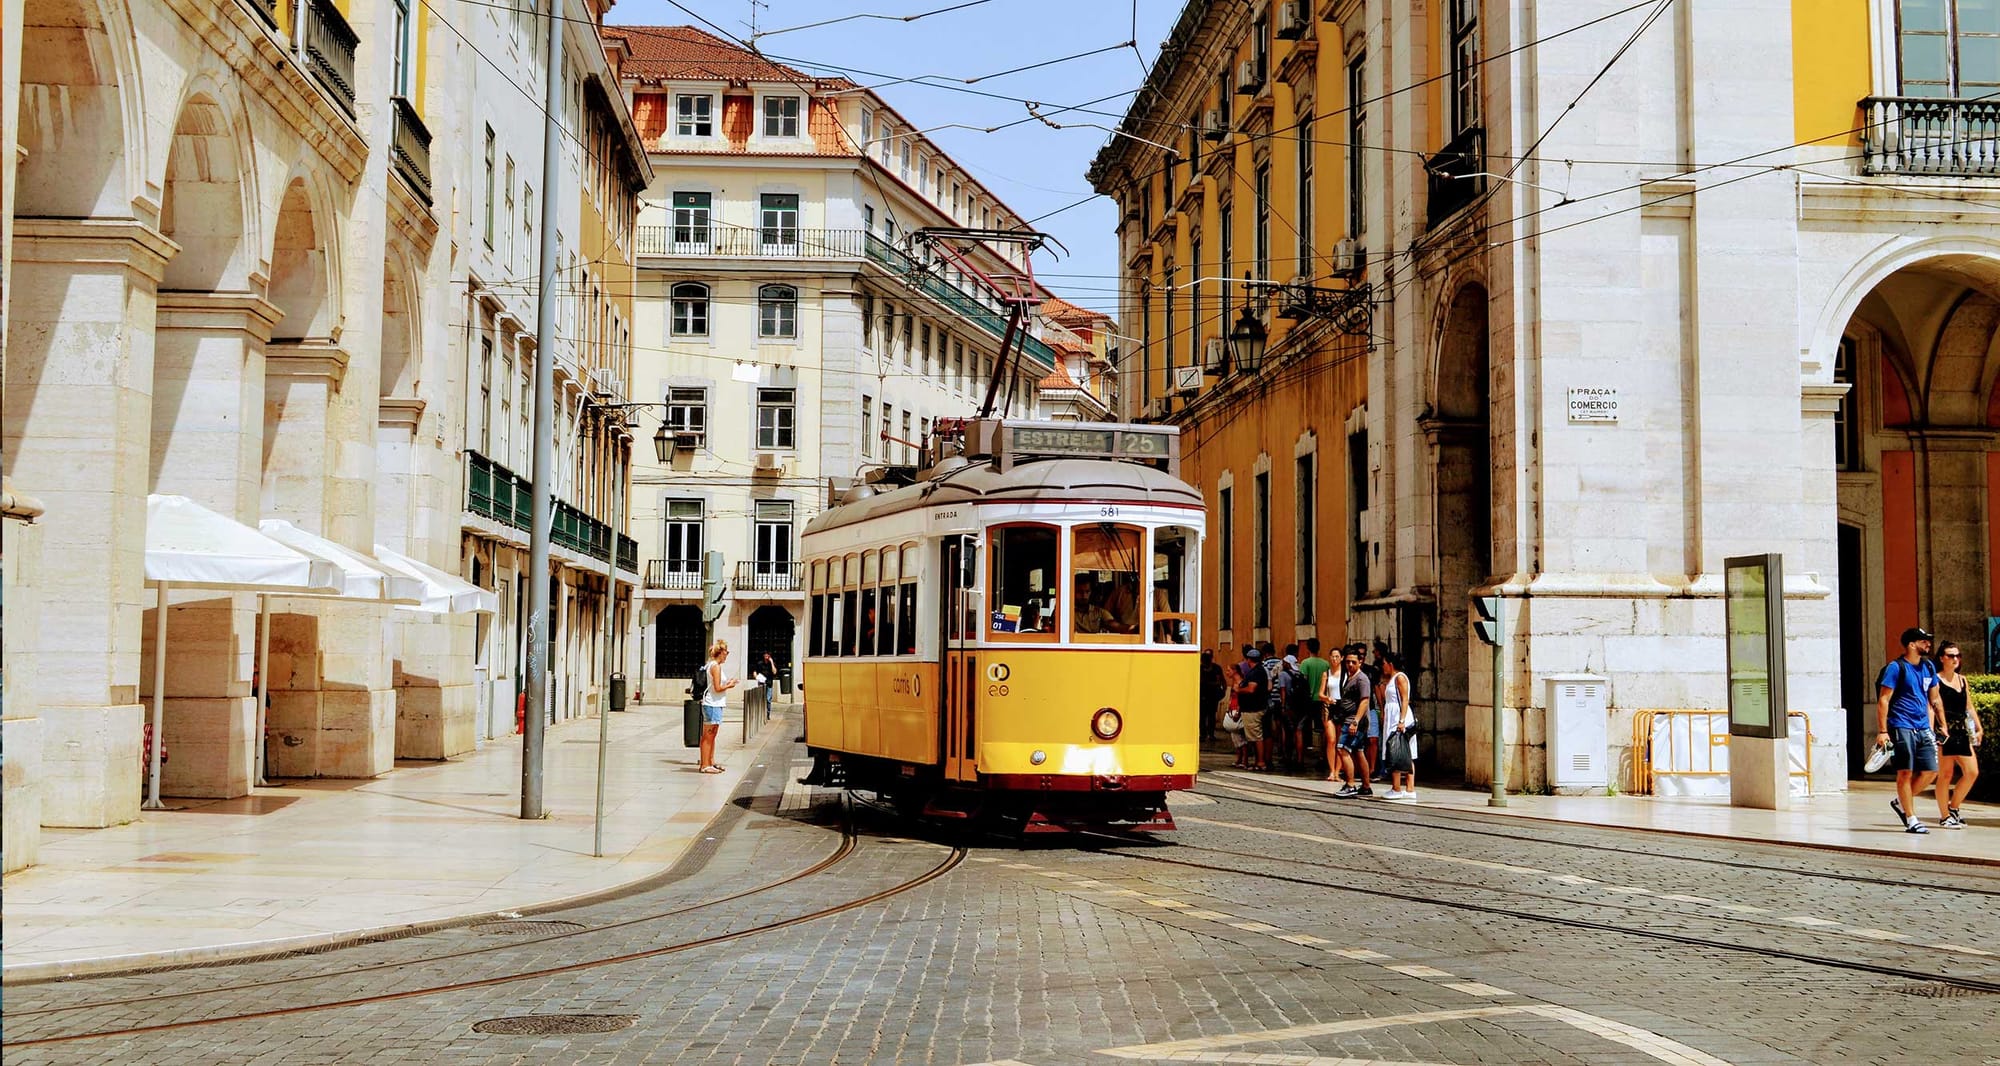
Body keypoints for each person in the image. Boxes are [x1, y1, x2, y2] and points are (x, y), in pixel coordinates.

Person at [1878, 626, 1947, 833]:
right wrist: (1883, 731)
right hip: (1901, 725)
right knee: (1905, 772)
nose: (1928, 644)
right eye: (1923, 641)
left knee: (1931, 771)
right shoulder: (1896, 667)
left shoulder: (1928, 667)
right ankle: (1911, 818)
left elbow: (1935, 698)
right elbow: (1884, 700)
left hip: (1923, 726)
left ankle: (1900, 803)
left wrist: (1942, 723)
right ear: (1911, 644)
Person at [1934, 641, 1981, 829]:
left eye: (1958, 656)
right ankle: (1944, 816)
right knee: (1945, 774)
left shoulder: (1962, 680)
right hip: (1944, 730)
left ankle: (1953, 807)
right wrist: (1939, 728)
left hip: (1961, 729)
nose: (1955, 659)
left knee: (1972, 772)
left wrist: (1978, 727)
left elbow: (1968, 705)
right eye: (1951, 655)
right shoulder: (1935, 680)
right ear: (1942, 658)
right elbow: (1935, 706)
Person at [1327, 650, 1373, 796]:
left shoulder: (1362, 679)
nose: (1350, 664)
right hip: (1350, 718)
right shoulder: (1350, 677)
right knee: (1359, 752)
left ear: (1360, 662)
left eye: (1354, 662)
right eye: (1348, 662)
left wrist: (1355, 721)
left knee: (1342, 749)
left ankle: (1350, 784)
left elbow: (1364, 701)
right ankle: (1366, 786)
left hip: (1353, 721)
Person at [1378, 648, 1416, 800]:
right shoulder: (1392, 679)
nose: (1383, 666)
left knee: (1397, 752)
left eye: (1384, 663)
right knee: (1403, 753)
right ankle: (1407, 788)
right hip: (1394, 717)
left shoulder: (1400, 678)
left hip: (1400, 718)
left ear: (1391, 664)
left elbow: (1405, 699)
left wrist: (1401, 720)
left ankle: (1397, 788)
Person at [698, 639, 738, 774]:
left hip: (716, 703)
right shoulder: (715, 666)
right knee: (708, 735)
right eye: (726, 652)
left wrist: (729, 682)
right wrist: (730, 685)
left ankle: (710, 762)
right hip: (712, 703)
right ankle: (705, 765)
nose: (727, 654)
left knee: (712, 734)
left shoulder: (713, 665)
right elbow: (717, 687)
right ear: (721, 652)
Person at [1300, 639, 1333, 773]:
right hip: (1322, 700)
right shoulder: (1325, 664)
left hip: (1309, 700)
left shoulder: (1305, 663)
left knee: (1302, 728)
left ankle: (1301, 758)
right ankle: (1322, 756)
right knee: (1322, 729)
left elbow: (1304, 681)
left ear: (1308, 648)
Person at [1235, 646, 1270, 770]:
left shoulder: (1256, 672)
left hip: (1254, 709)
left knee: (1256, 736)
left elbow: (1251, 689)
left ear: (1249, 660)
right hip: (1255, 707)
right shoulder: (1259, 670)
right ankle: (1259, 761)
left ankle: (1260, 762)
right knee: (1255, 736)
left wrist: (1239, 689)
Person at [1199, 649, 1228, 741]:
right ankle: (1205, 734)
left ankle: (1208, 734)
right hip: (1205, 695)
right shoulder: (1205, 668)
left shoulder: (1214, 668)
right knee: (1205, 715)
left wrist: (1222, 689)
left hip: (1210, 695)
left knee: (1208, 715)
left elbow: (1220, 681)